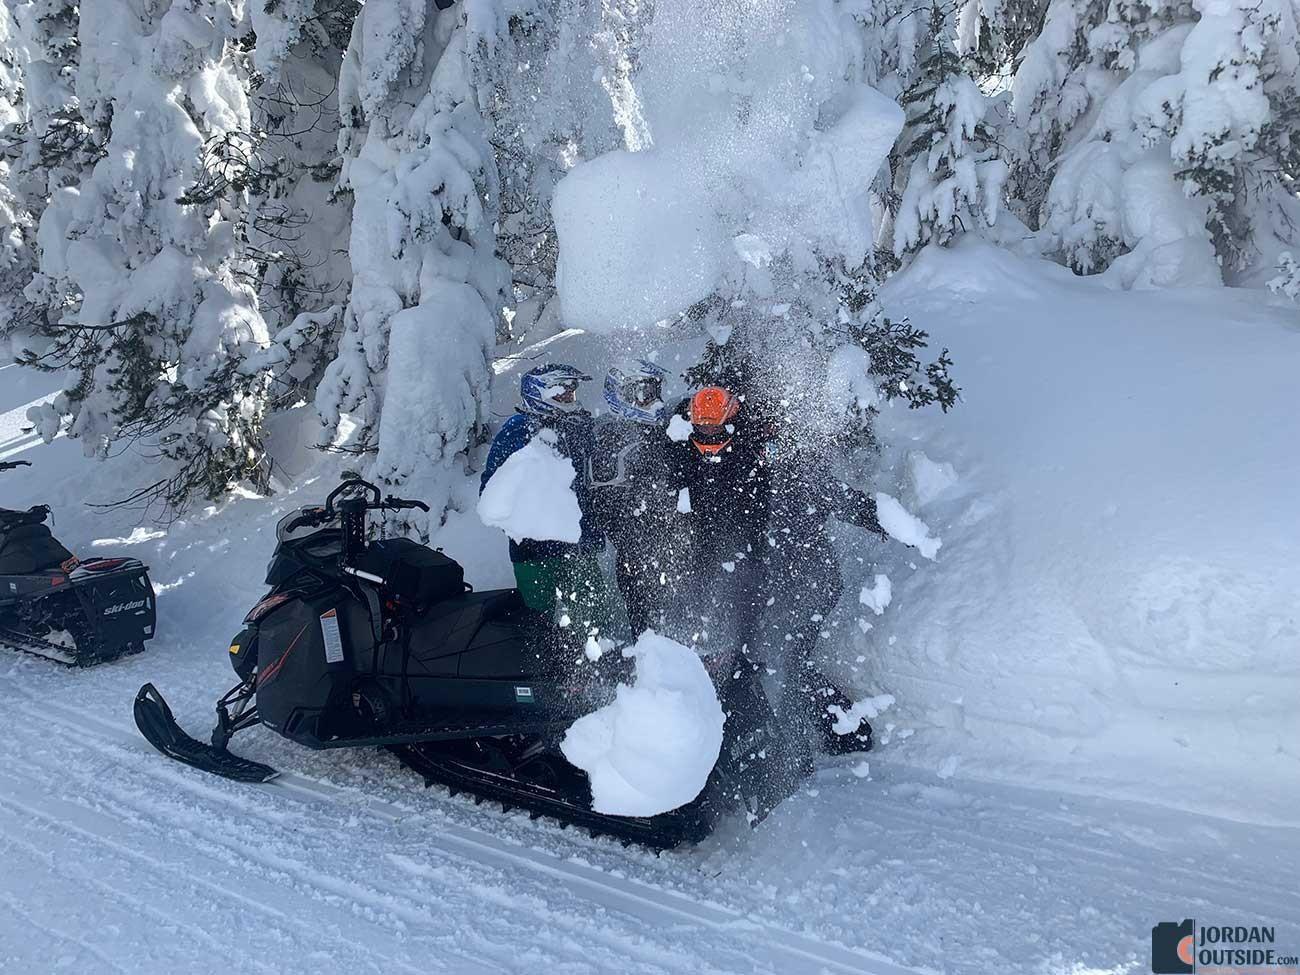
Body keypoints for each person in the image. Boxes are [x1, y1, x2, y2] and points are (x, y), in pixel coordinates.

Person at [480, 364, 611, 634]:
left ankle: (598, 669)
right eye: (562, 393)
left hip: (578, 545)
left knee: (593, 620)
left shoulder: (581, 426)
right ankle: (541, 673)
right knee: (537, 623)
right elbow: (492, 491)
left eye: (571, 392)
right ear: (541, 394)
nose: (570, 398)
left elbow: (595, 477)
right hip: (533, 553)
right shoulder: (518, 430)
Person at [587, 359, 676, 636]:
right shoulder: (610, 438)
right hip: (640, 551)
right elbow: (605, 502)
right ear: (624, 395)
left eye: (655, 393)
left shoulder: (659, 431)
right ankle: (650, 660)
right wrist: (641, 538)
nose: (655, 402)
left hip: (671, 544)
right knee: (648, 617)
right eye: (646, 395)